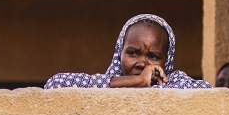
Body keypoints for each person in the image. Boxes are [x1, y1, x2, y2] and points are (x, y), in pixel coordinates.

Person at [44, 14, 211, 89]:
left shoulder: (175, 82)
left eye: (153, 56)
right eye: (133, 53)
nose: (142, 63)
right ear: (119, 54)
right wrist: (138, 82)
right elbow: (55, 83)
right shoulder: (102, 84)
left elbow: (206, 92)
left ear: (166, 61)